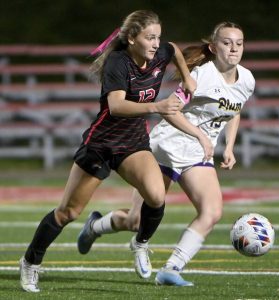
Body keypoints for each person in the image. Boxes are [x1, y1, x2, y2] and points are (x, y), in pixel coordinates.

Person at [19, 10, 197, 293]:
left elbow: (173, 49)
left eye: (157, 37)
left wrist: (187, 77)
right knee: (68, 213)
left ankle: (139, 244)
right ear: (131, 39)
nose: (156, 43)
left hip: (133, 144)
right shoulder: (118, 62)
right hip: (100, 145)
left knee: (156, 195)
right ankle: (30, 263)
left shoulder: (160, 52)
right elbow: (116, 106)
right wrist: (157, 106)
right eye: (149, 37)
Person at [77, 21, 255, 286]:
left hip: (197, 155)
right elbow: (169, 111)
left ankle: (171, 268)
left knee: (212, 212)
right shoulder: (203, 76)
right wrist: (200, 135)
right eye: (227, 43)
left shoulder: (247, 79)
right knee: (137, 221)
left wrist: (229, 146)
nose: (233, 49)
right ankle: (95, 226)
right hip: (165, 148)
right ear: (213, 47)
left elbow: (234, 108)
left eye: (238, 43)